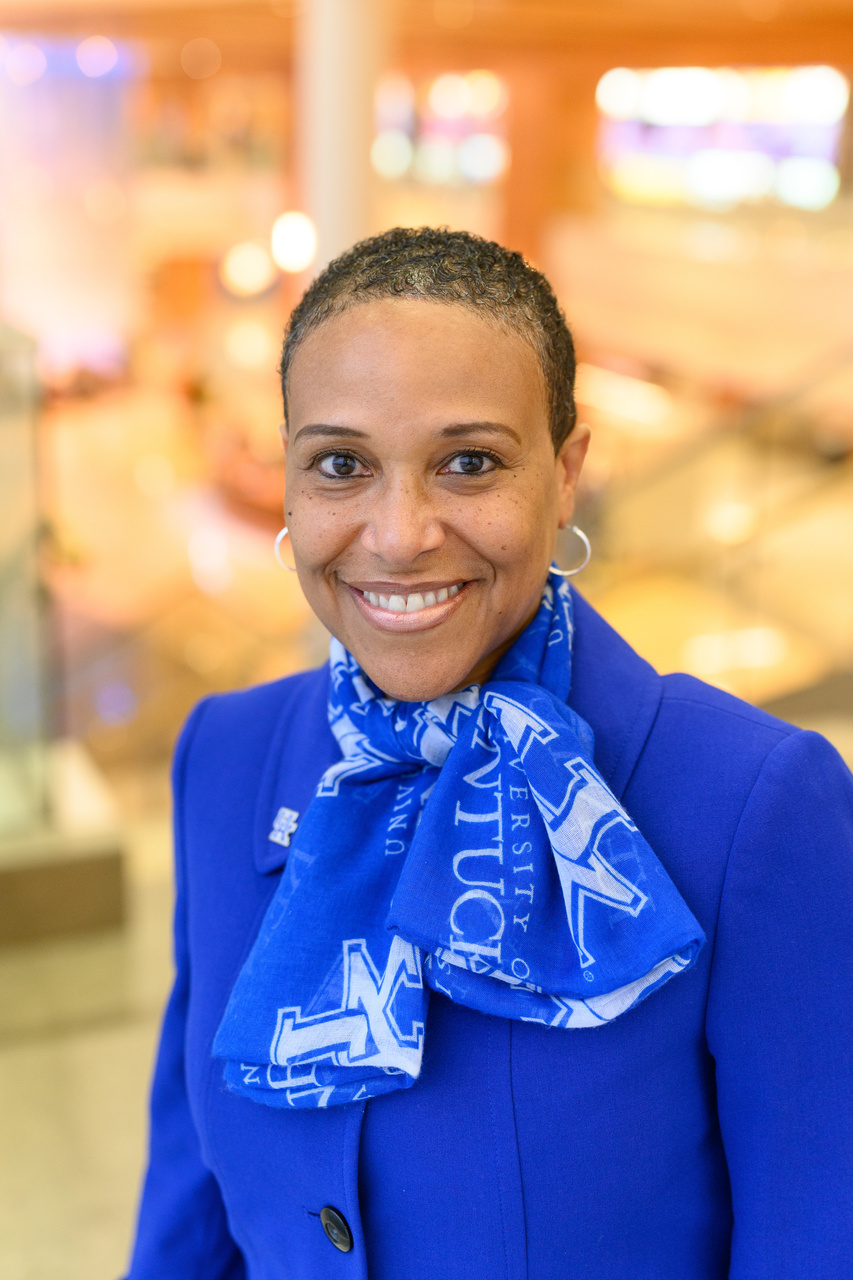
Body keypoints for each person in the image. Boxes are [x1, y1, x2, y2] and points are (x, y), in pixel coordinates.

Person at [125, 227, 853, 1280]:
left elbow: (816, 1237)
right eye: (341, 464)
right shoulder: (228, 756)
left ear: (564, 476)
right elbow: (188, 1207)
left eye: (468, 462)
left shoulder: (751, 804)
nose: (399, 531)